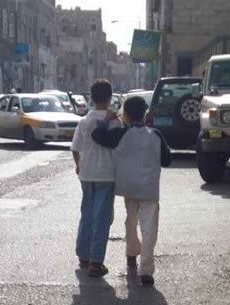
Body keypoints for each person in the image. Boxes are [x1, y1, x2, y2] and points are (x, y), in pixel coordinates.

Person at [91, 96, 171, 285]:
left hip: (128, 186)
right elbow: (167, 160)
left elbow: (97, 135)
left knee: (131, 221)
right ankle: (146, 270)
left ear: (125, 115)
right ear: (145, 113)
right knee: (149, 228)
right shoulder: (156, 135)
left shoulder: (120, 133)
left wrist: (106, 120)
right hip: (150, 188)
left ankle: (131, 254)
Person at [71, 79, 121, 277]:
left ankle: (83, 256)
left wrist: (78, 165)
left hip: (87, 174)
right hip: (106, 175)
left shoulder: (84, 121)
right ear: (110, 98)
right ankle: (96, 261)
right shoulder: (114, 120)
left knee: (87, 214)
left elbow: (75, 149)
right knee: (102, 218)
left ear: (91, 98)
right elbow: (119, 148)